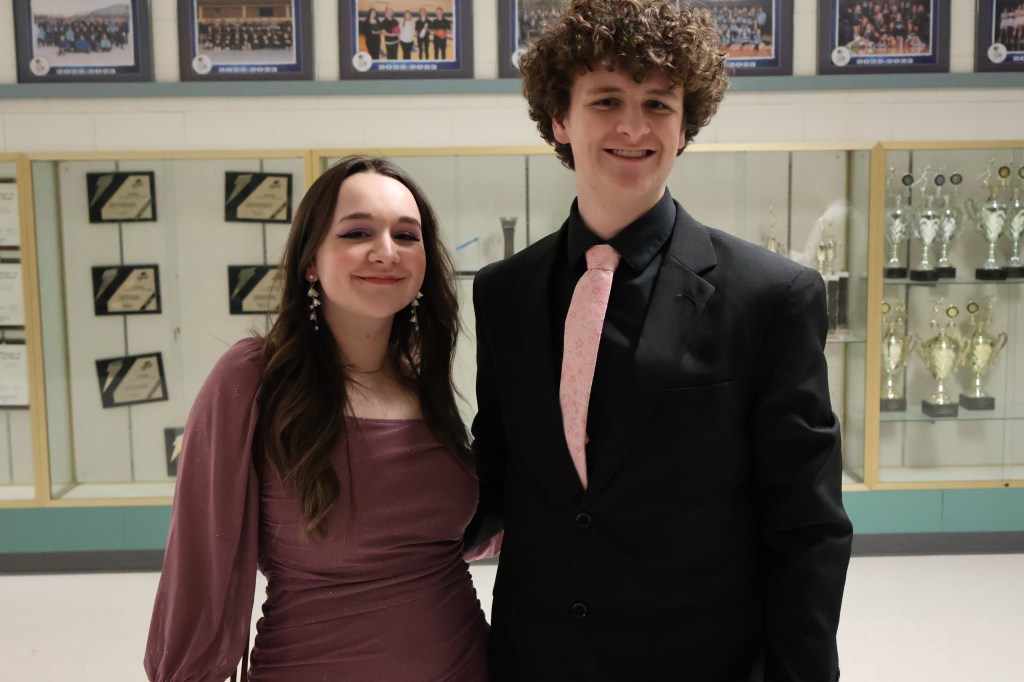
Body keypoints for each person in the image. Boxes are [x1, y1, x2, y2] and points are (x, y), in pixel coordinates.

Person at [464, 1, 853, 681]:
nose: (634, 126)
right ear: (560, 118)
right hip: (538, 656)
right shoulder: (504, 291)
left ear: (684, 124)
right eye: (606, 100)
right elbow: (499, 463)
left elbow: (806, 523)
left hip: (701, 659)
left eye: (658, 104)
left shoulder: (771, 297)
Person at [145, 156, 489, 681]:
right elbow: (199, 563)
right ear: (310, 262)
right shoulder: (254, 378)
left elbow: (463, 530)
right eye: (357, 232)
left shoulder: (426, 381)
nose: (386, 251)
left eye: (406, 235)